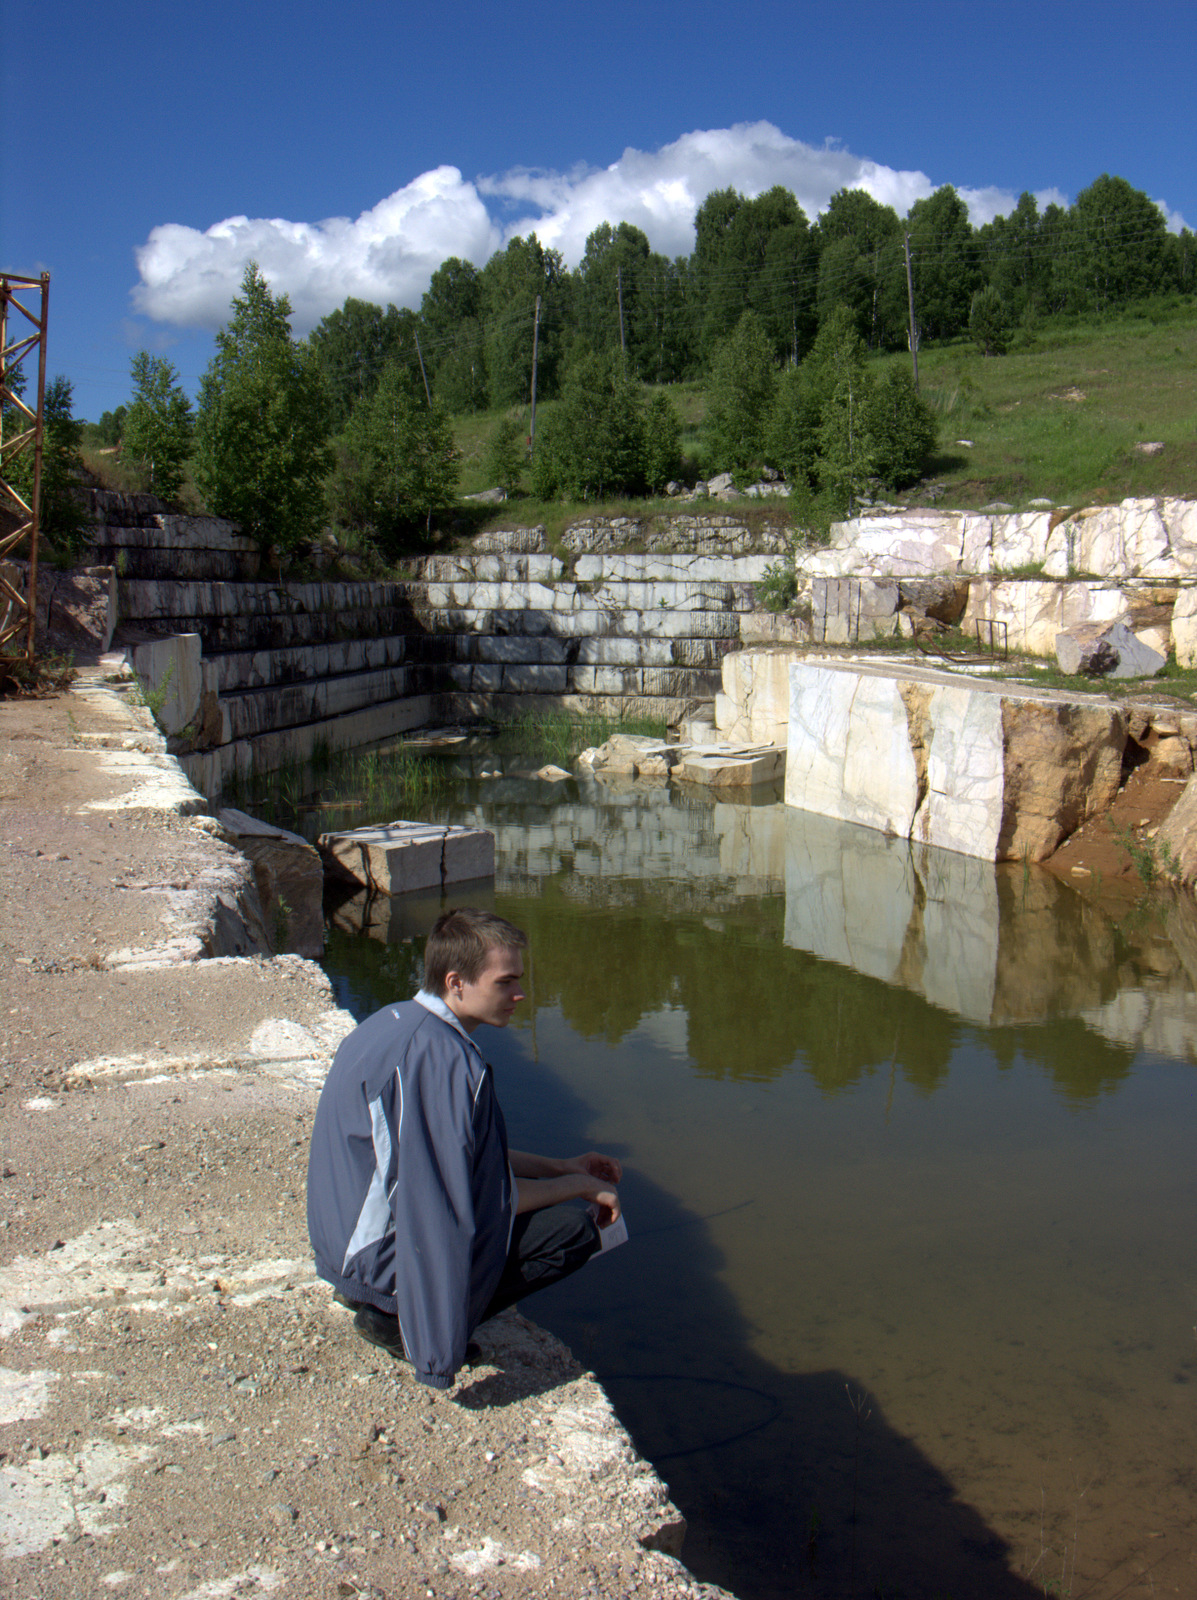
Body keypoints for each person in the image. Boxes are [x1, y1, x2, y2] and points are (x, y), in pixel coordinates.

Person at [307, 907, 622, 1389]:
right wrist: (576, 1187)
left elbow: (464, 1156)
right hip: (379, 1260)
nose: (519, 994)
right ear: (456, 982)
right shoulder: (442, 1062)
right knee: (572, 1232)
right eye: (505, 982)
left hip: (345, 1247)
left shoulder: (401, 1023)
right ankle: (396, 1319)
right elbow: (470, 1199)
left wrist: (561, 1165)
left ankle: (387, 1301)